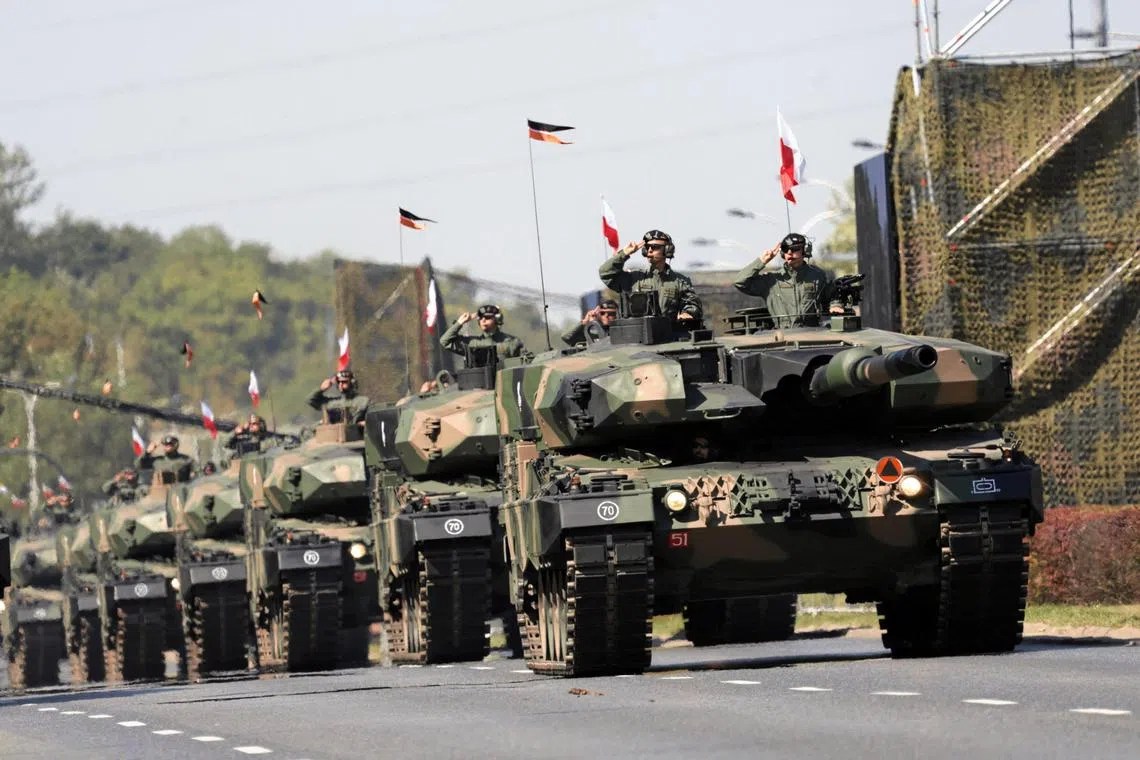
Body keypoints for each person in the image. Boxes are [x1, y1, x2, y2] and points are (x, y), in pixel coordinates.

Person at [733, 233, 843, 328]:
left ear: (805, 250)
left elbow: (830, 296)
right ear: (782, 253)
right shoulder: (772, 280)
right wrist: (762, 261)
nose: (789, 252)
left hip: (811, 332)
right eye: (785, 249)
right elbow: (740, 282)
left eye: (794, 249)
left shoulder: (817, 276)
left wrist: (835, 305)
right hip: (782, 335)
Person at [599, 230, 702, 323]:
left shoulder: (679, 282)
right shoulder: (634, 278)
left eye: (655, 247)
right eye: (647, 247)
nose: (650, 250)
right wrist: (624, 254)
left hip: (668, 334)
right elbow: (605, 273)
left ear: (667, 249)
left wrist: (687, 313)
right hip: (637, 334)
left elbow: (693, 304)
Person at [440, 304, 528, 362]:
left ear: (497, 319)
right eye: (481, 318)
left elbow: (524, 363)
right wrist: (460, 323)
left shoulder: (512, 342)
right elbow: (445, 341)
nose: (483, 320)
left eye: (487, 317)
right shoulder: (472, 343)